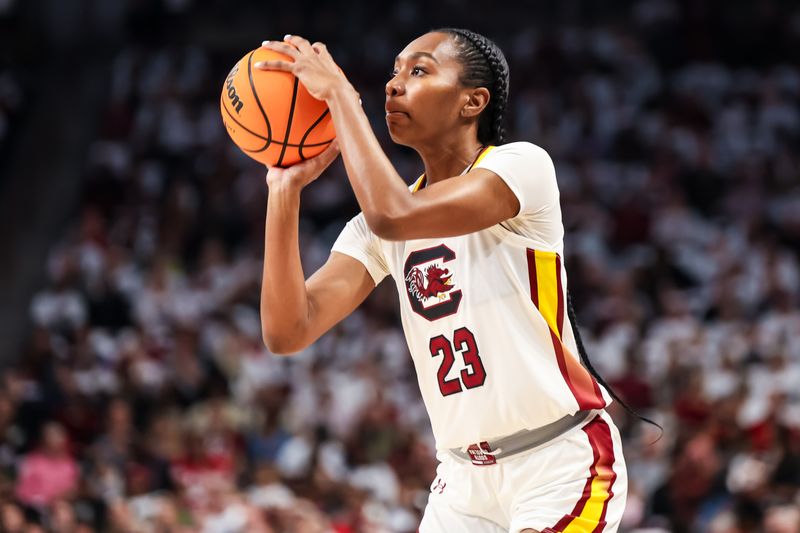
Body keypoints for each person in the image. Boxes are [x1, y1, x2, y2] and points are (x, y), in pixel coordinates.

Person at [256, 28, 628, 533]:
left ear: (472, 101)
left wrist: (341, 96)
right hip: (462, 483)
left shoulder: (521, 167)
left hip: (559, 464)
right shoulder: (374, 227)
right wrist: (283, 191)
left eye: (419, 70)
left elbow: (395, 213)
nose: (392, 85)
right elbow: (288, 330)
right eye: (394, 71)